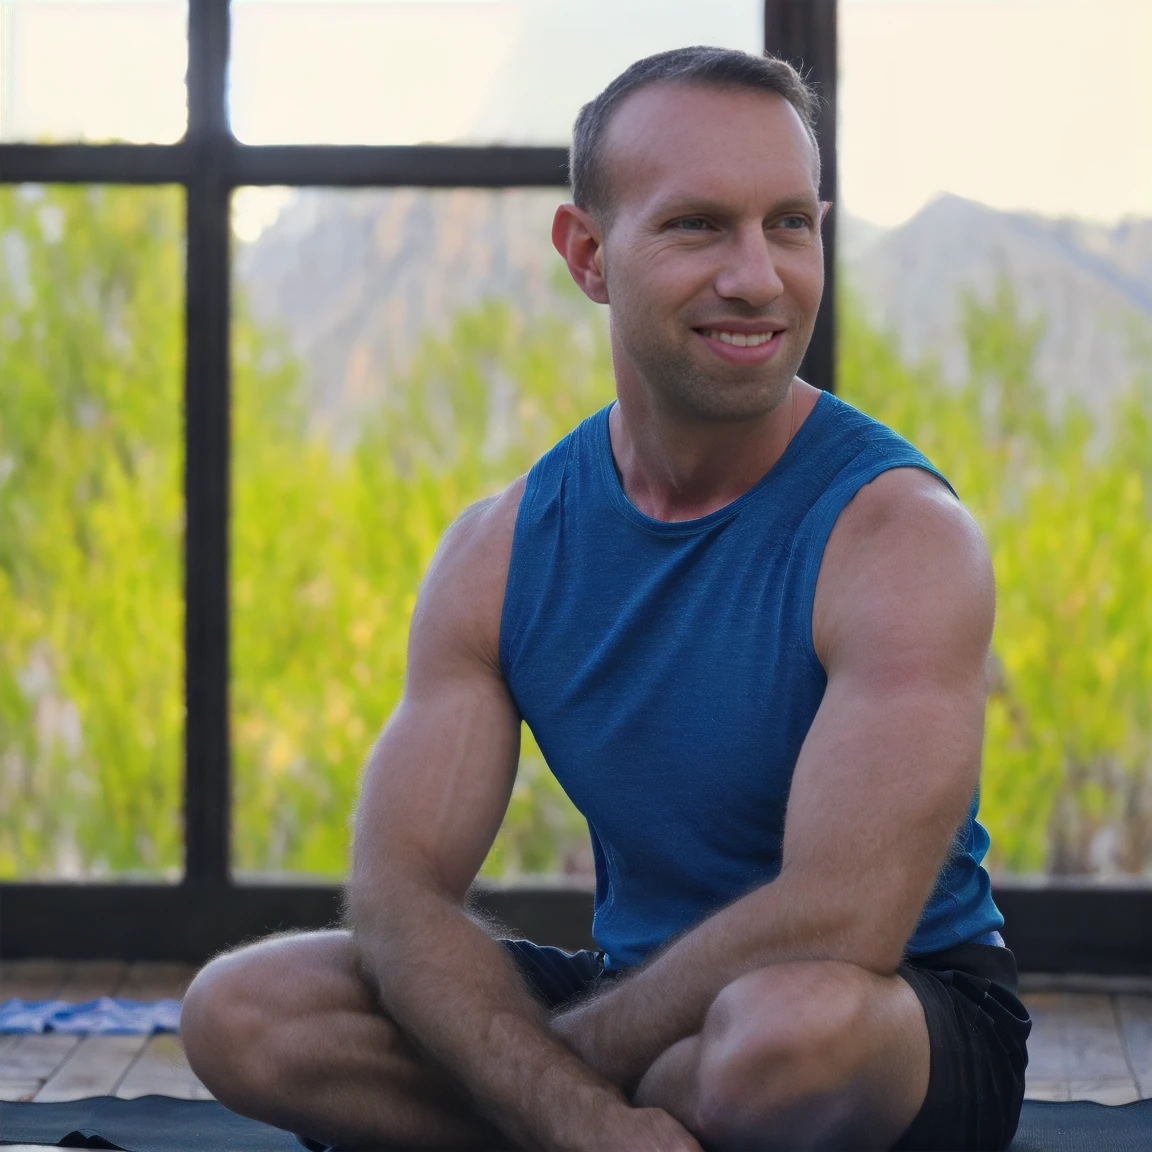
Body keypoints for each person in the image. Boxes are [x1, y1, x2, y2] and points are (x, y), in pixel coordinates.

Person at [181, 47, 1031, 1152]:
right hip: (641, 992)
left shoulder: (900, 534)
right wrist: (567, 1105)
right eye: (698, 227)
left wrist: (549, 1088)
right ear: (588, 253)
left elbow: (844, 916)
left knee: (780, 1039)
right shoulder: (500, 549)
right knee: (246, 1009)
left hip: (889, 1014)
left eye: (789, 224)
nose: (759, 277)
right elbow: (399, 896)